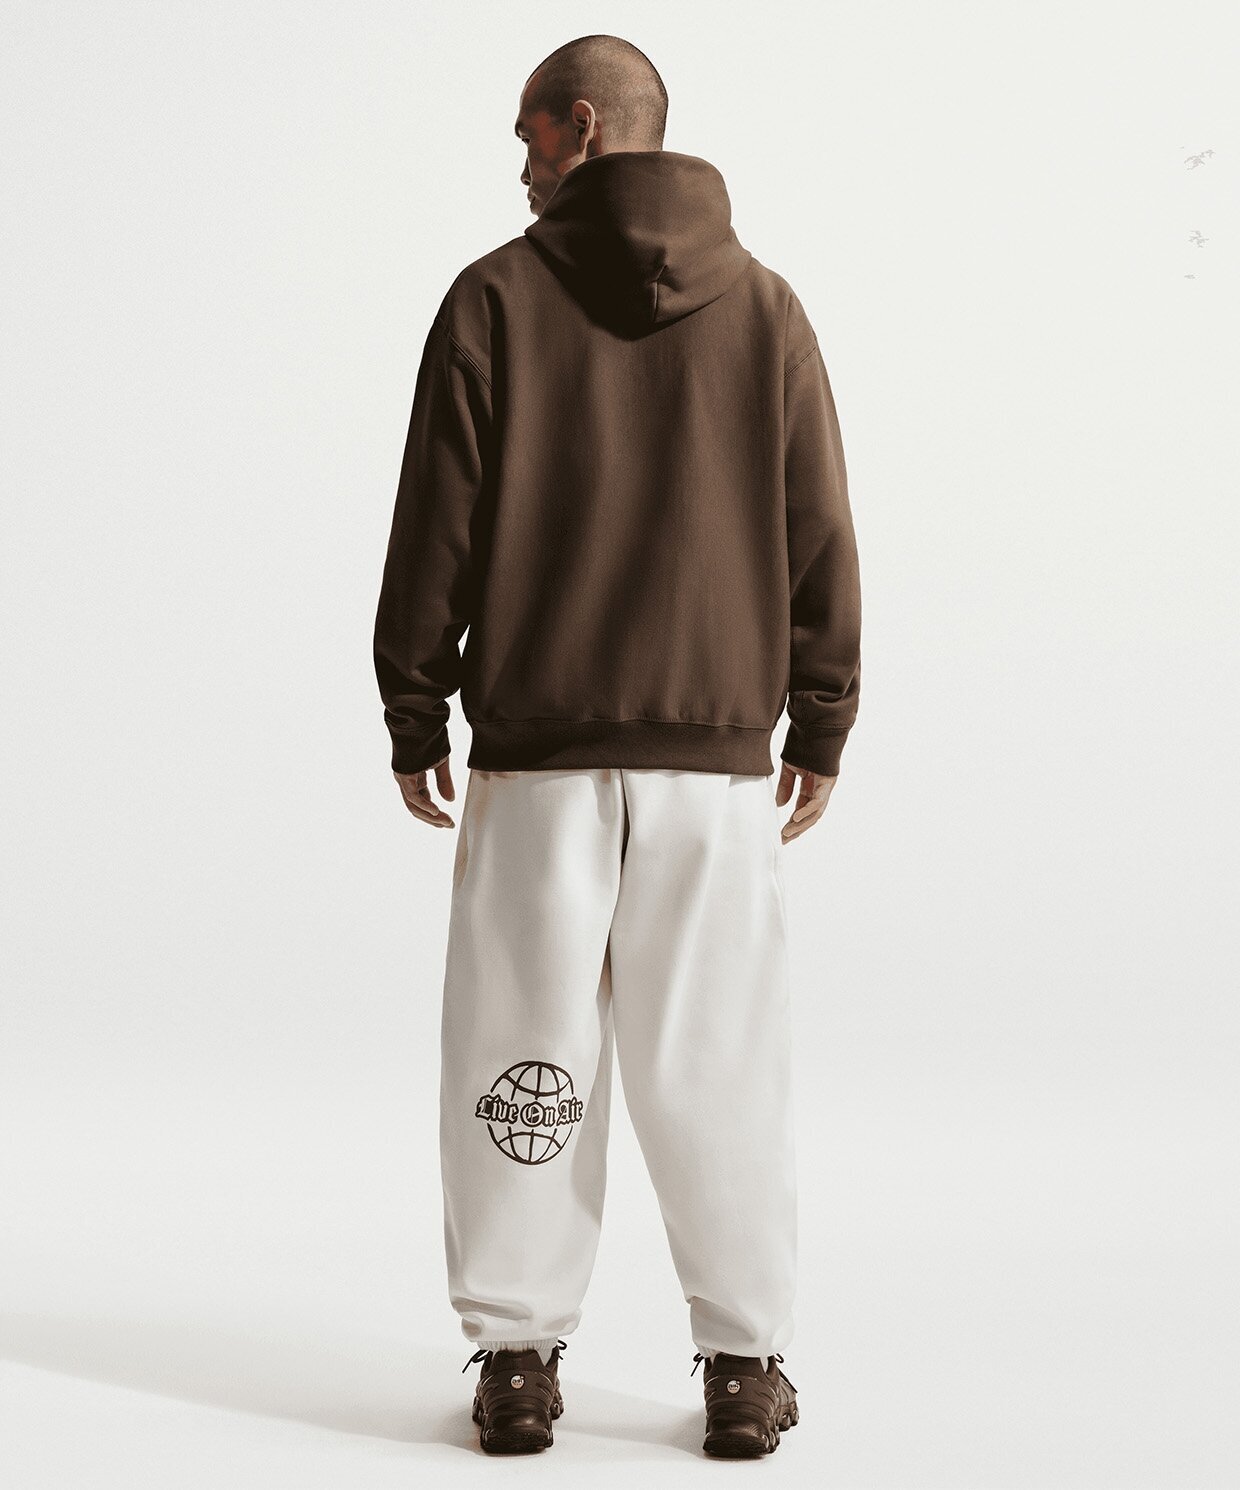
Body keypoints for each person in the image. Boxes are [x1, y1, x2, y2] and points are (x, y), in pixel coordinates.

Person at [372, 32, 862, 1460]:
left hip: (537, 753)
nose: (520, 164)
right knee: (718, 1056)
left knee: (522, 1053)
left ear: (582, 125)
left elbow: (438, 519)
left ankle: (518, 1359)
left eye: (528, 133)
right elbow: (818, 521)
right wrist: (822, 710)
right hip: (715, 761)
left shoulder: (493, 300)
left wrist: (415, 701)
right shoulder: (765, 308)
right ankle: (746, 1363)